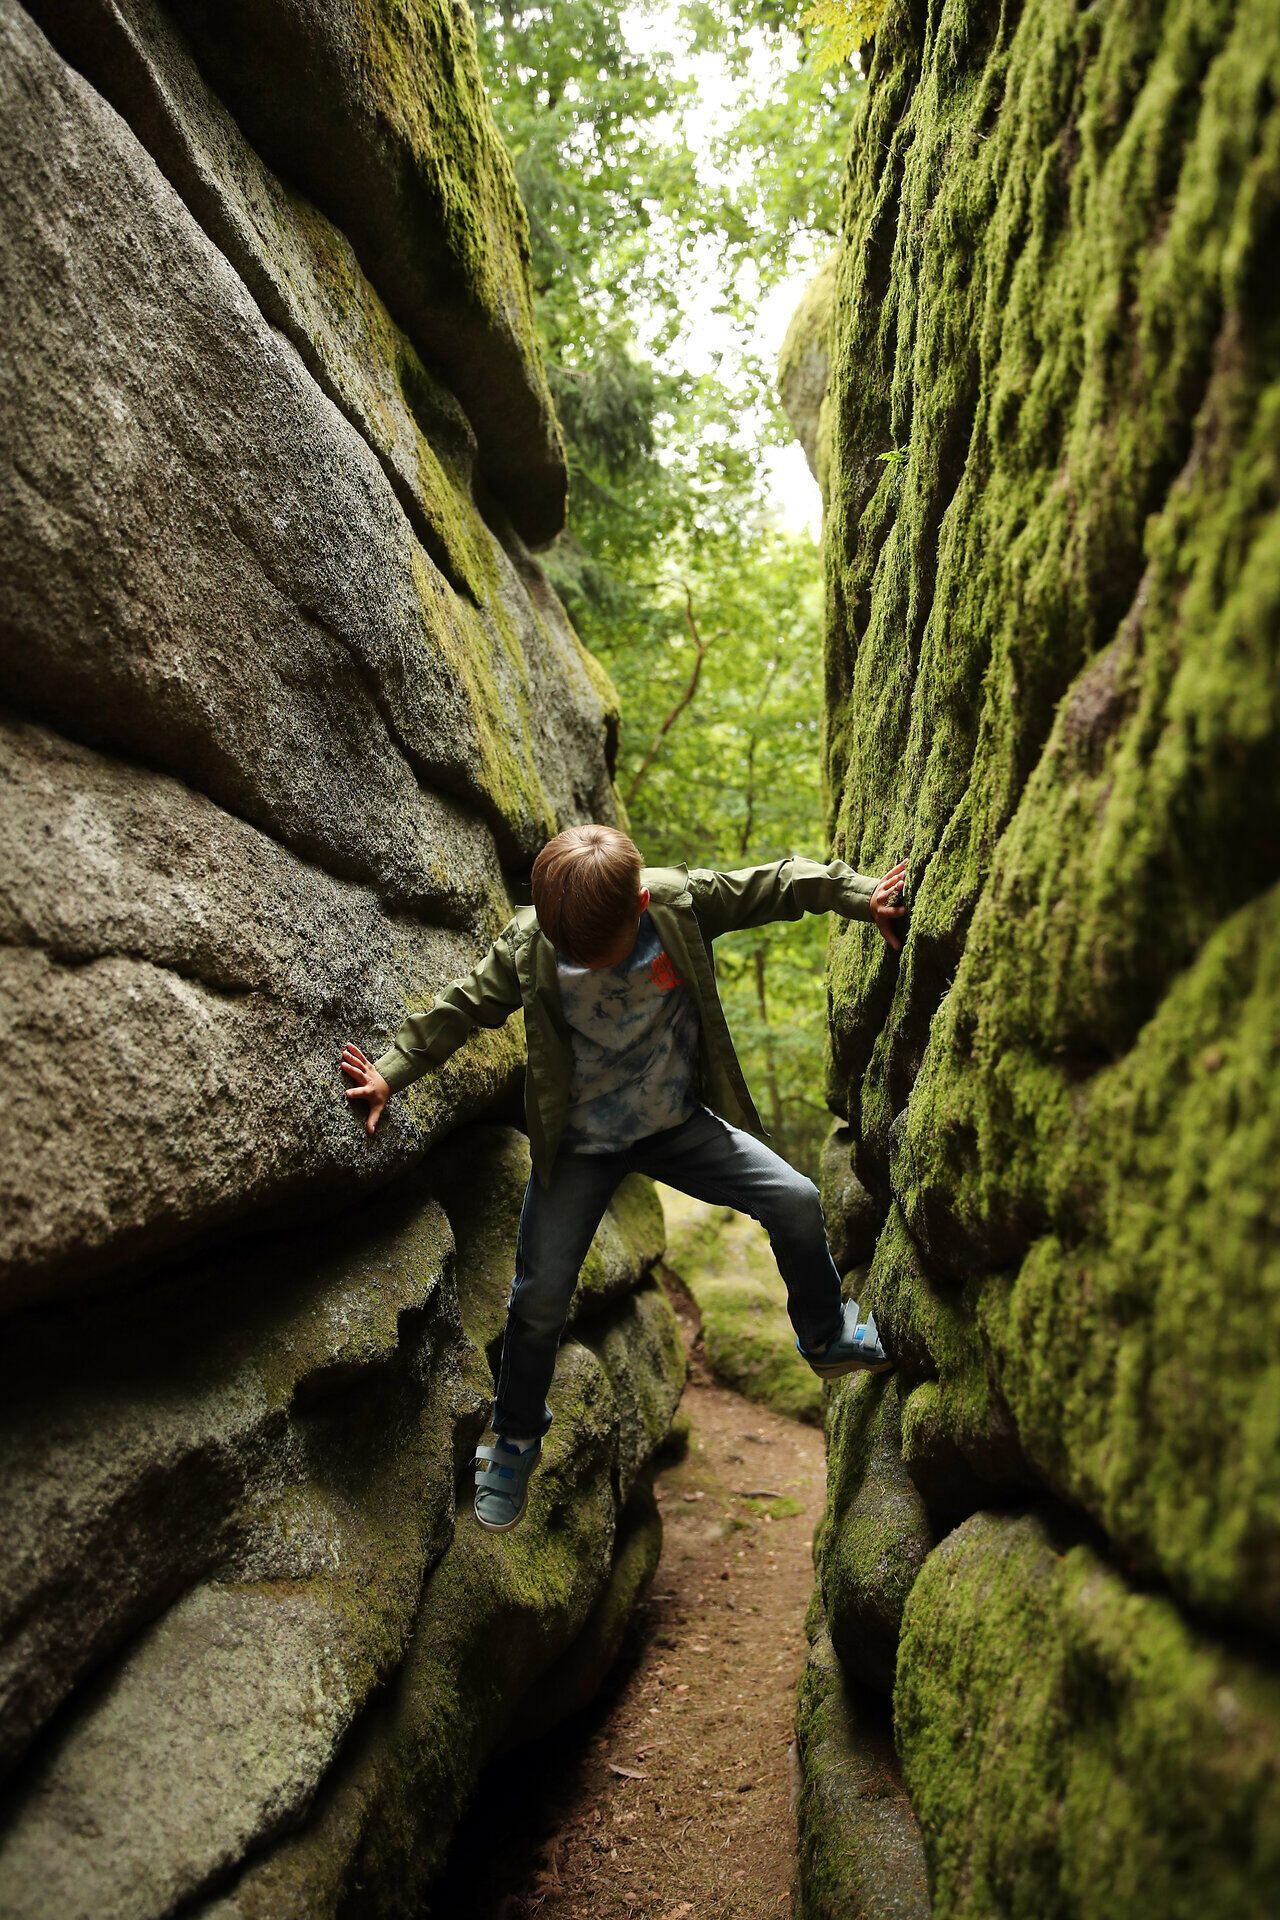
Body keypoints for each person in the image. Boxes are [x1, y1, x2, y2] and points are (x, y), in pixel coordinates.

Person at [341, 827, 908, 1531]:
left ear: (639, 904)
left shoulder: (674, 905)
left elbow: (780, 883)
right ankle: (515, 1436)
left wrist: (862, 896)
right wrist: (391, 1072)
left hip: (677, 1126)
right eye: (563, 946)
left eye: (588, 951)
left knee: (794, 1199)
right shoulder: (534, 947)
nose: (573, 959)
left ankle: (826, 1337)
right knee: (537, 1297)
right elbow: (461, 1007)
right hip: (582, 1146)